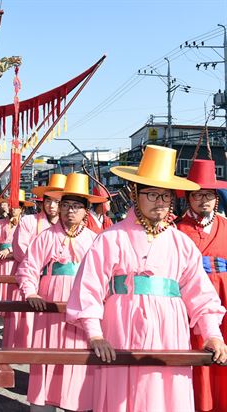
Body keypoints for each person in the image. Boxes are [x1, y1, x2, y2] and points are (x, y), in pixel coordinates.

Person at [66, 145, 227, 412]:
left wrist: (211, 334)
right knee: (122, 393)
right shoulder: (110, 238)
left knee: (165, 394)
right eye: (152, 194)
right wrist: (95, 335)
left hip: (170, 332)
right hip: (120, 329)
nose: (160, 202)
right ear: (135, 193)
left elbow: (200, 293)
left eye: (165, 196)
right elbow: (89, 288)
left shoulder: (180, 242)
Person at [17, 174, 106, 411]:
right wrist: (31, 292)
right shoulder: (45, 236)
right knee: (49, 355)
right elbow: (29, 267)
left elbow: (103, 276)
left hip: (82, 307)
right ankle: (43, 404)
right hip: (50, 306)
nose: (69, 211)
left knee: (79, 358)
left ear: (86, 210)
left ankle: (77, 403)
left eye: (76, 206)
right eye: (65, 205)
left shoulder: (95, 240)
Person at [176, 159, 227, 412]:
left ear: (216, 197)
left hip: (225, 298)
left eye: (208, 194)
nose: (203, 200)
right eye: (197, 195)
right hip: (188, 300)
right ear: (188, 198)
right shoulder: (174, 229)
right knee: (192, 350)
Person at [7, 173, 67, 348]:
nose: (52, 206)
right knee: (25, 320)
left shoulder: (70, 227)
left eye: (57, 201)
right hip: (30, 273)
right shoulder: (28, 221)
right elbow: (20, 250)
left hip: (54, 281)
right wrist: (37, 266)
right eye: (48, 201)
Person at [0, 190, 33, 345]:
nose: (14, 209)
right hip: (6, 261)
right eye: (12, 206)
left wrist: (11, 252)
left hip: (24, 264)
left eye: (17, 206)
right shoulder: (0, 223)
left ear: (23, 209)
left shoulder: (28, 223)